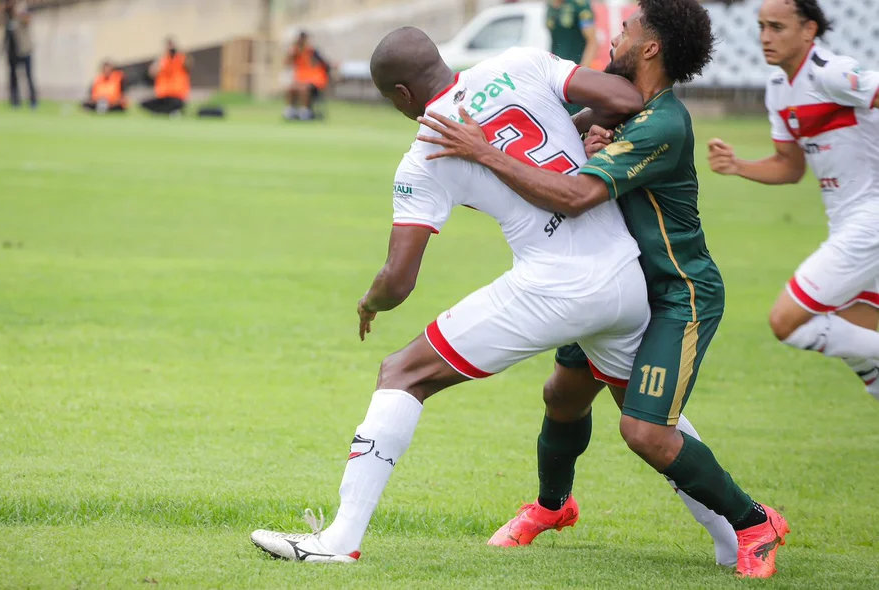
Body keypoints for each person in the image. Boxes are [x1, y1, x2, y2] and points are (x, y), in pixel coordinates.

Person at [251, 26, 733, 566]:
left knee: (403, 373)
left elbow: (399, 279)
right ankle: (737, 533)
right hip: (625, 274)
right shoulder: (521, 62)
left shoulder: (426, 152)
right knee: (649, 421)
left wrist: (370, 302)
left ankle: (338, 542)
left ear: (402, 97)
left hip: (557, 283)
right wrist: (576, 132)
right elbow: (625, 99)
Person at [416, 0, 787, 578]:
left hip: (677, 294)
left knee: (645, 433)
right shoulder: (623, 109)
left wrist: (482, 152)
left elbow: (574, 196)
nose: (616, 33)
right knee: (562, 396)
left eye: (629, 27)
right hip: (617, 282)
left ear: (650, 47)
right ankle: (551, 506)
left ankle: (755, 522)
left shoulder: (662, 123)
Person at [707, 0, 879, 402]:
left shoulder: (831, 73)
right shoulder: (779, 90)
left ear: (809, 30)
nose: (766, 37)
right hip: (847, 223)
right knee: (849, 324)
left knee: (788, 321)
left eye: (778, 27)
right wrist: (738, 166)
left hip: (869, 221)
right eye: (762, 26)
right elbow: (790, 167)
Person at [0, 0, 37, 109]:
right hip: (11, 49)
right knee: (12, 77)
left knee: (28, 76)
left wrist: (16, 12)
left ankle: (33, 101)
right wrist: (2, 11)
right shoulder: (6, 14)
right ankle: (15, 101)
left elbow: (27, 20)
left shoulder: (22, 7)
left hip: (24, 49)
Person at [284, 32, 332, 121]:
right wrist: (291, 54)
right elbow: (287, 64)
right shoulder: (295, 51)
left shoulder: (312, 51)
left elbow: (325, 64)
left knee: (304, 88)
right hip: (301, 78)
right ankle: (291, 110)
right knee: (290, 88)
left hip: (315, 79)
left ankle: (305, 111)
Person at [141, 38, 192, 117]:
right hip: (163, 95)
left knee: (176, 103)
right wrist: (160, 59)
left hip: (177, 95)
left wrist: (181, 54)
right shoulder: (162, 60)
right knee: (145, 104)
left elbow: (189, 65)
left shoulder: (181, 58)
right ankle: (167, 112)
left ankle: (166, 111)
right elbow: (151, 73)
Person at [547, 0, 599, 67]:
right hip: (556, 66)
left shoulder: (580, 5)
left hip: (574, 66)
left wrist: (582, 70)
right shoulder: (550, 5)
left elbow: (592, 42)